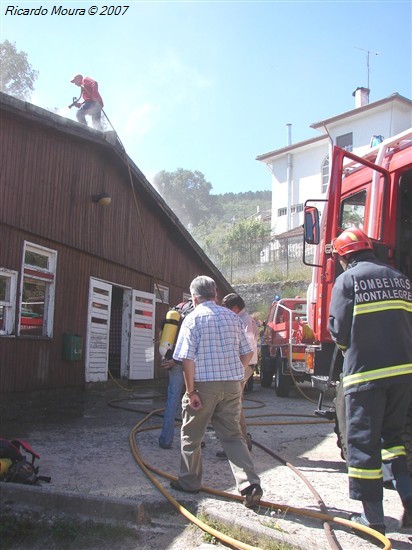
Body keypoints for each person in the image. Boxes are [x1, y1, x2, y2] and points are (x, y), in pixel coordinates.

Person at [327, 227, 412, 535]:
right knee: (392, 440)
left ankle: (373, 519)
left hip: (365, 375)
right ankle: (409, 497)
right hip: (404, 375)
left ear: (343, 256)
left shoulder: (347, 280)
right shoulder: (400, 279)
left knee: (363, 445)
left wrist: (351, 353)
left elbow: (338, 328)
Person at [171, 275, 263, 508]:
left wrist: (191, 392)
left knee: (192, 436)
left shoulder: (193, 319)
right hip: (232, 385)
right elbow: (248, 353)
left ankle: (190, 482)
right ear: (216, 294)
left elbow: (187, 360)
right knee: (232, 436)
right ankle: (250, 484)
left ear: (194, 297)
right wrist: (233, 371)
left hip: (204, 386)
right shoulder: (233, 318)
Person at [216, 293, 258, 457]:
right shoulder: (244, 319)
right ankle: (240, 443)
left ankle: (238, 444)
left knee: (233, 405)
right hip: (243, 365)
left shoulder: (244, 321)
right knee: (235, 404)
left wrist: (237, 371)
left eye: (227, 309)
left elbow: (246, 350)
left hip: (243, 366)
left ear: (235, 308)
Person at [158, 300, 194, 449]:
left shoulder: (176, 309)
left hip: (173, 360)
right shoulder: (196, 311)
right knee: (194, 399)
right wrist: (176, 360)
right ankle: (194, 438)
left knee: (172, 399)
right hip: (190, 362)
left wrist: (167, 358)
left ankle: (166, 440)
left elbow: (162, 335)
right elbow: (191, 341)